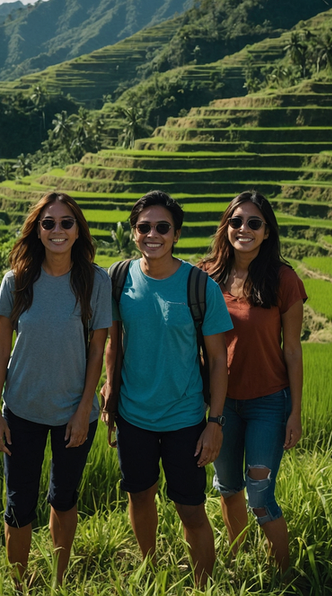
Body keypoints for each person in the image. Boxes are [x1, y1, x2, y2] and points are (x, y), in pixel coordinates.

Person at [101, 190, 232, 586]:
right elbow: (113, 341)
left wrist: (215, 421)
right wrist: (110, 389)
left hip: (185, 417)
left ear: (176, 234)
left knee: (190, 508)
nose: (152, 234)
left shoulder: (199, 286)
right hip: (133, 415)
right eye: (144, 227)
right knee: (139, 495)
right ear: (133, 232)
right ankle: (149, 568)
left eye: (162, 227)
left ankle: (202, 585)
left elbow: (218, 361)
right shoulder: (119, 277)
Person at [0, 191, 112, 587]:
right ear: (37, 231)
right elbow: (0, 347)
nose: (57, 230)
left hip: (75, 414)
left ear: (78, 230)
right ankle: (19, 585)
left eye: (66, 222)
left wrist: (82, 411)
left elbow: (98, 349)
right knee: (18, 504)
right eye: (49, 223)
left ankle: (60, 581)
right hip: (21, 410)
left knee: (64, 497)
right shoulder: (17, 281)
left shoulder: (95, 280)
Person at [199, 190, 306, 573]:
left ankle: (283, 574)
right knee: (228, 489)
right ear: (226, 226)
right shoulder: (206, 275)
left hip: (268, 403)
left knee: (260, 495)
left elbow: (292, 351)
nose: (244, 228)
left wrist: (295, 412)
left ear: (266, 231)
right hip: (220, 404)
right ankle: (240, 560)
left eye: (254, 223)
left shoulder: (283, 279)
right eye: (237, 221)